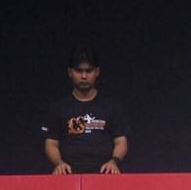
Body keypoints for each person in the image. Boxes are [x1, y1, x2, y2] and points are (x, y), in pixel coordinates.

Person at [41, 46, 130, 174]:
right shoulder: (58, 108)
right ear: (70, 72)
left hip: (105, 175)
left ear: (97, 72)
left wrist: (113, 161)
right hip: (68, 175)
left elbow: (121, 141)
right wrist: (59, 163)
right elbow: (51, 143)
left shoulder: (112, 106)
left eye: (89, 71)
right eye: (79, 71)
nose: (84, 76)